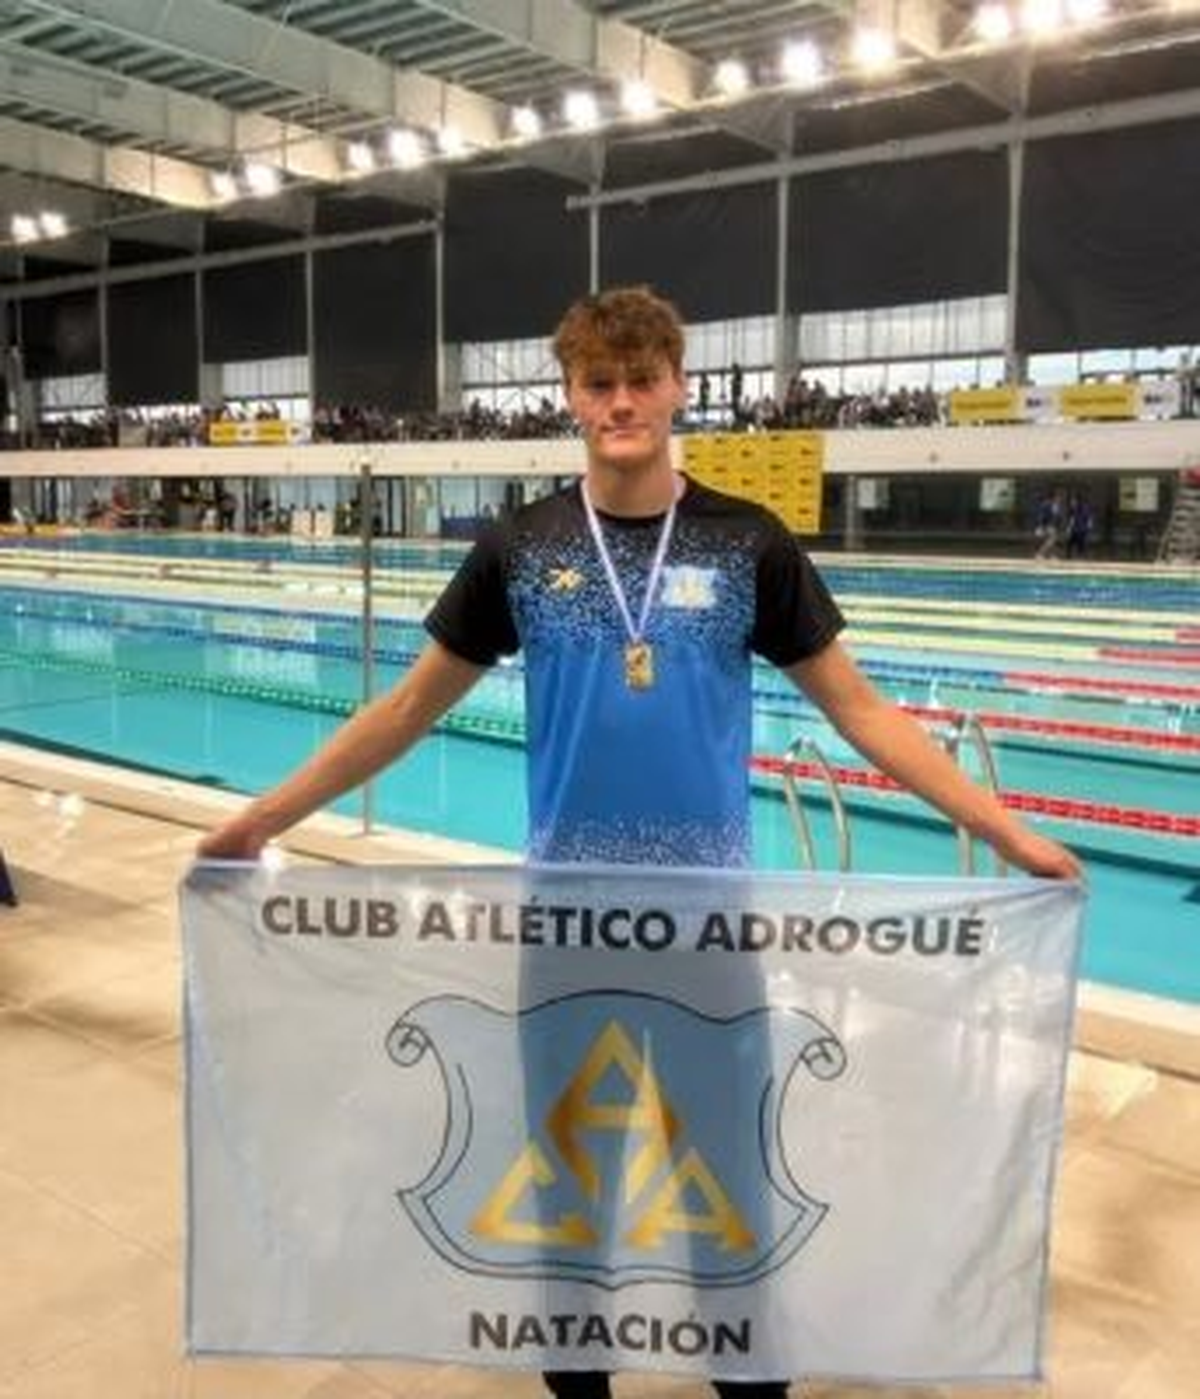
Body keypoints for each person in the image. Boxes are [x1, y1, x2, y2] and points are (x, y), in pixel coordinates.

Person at [199, 285, 1080, 1398]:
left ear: (678, 389)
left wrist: (1006, 831)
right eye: (599, 382)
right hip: (568, 928)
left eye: (641, 380)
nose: (621, 401)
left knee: (730, 1183)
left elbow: (860, 709)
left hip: (707, 931)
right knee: (571, 1188)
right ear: (571, 397)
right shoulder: (522, 546)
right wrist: (260, 819)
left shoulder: (747, 542)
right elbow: (406, 709)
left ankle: (749, 1385)